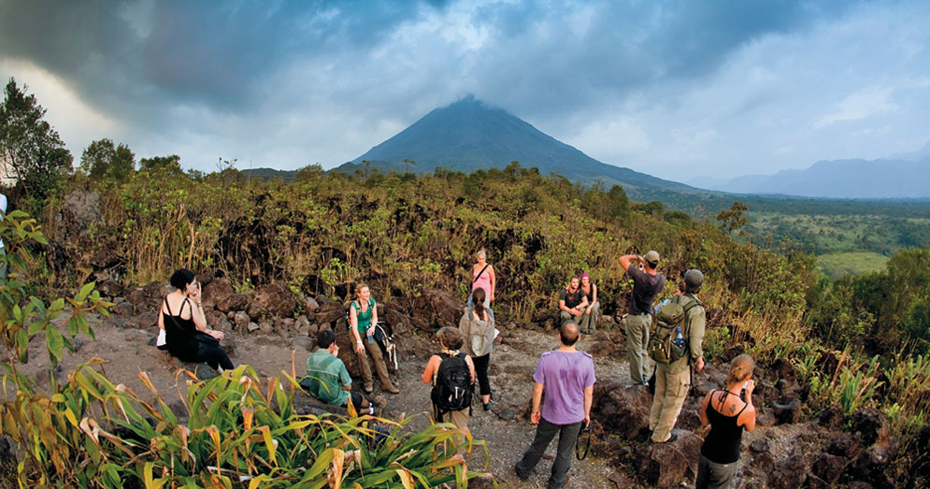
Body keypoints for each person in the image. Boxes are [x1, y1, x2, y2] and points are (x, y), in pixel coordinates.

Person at [515, 321, 595, 488]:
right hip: (574, 415)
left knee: (539, 444)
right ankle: (556, 482)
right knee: (565, 452)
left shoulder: (547, 359)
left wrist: (535, 410)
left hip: (551, 412)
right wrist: (586, 414)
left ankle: (524, 470)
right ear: (579, 338)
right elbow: (588, 393)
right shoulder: (587, 361)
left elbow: (538, 390)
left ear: (559, 337)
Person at [649, 269, 706, 443]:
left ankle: (652, 426)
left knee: (660, 393)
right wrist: (698, 358)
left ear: (685, 284)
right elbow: (695, 340)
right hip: (679, 362)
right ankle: (661, 436)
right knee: (673, 400)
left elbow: (656, 314)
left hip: (663, 355)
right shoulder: (696, 310)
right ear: (700, 288)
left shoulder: (673, 300)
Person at [696, 354, 756, 489]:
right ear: (748, 377)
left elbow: (704, 422)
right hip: (725, 460)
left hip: (706, 452)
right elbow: (750, 428)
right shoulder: (746, 410)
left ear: (730, 371)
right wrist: (748, 397)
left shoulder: (711, 395)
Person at [157, 268, 233, 372]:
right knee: (219, 352)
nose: (195, 287)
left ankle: (219, 371)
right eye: (193, 284)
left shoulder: (167, 298)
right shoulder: (188, 303)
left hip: (172, 347)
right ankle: (235, 379)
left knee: (209, 345)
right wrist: (198, 302)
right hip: (188, 351)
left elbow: (161, 324)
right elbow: (202, 326)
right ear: (186, 285)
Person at [302, 330, 385, 415]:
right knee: (356, 398)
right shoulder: (337, 363)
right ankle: (371, 409)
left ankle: (370, 406)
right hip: (333, 397)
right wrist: (334, 359)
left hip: (316, 393)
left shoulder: (310, 359)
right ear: (331, 345)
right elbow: (348, 386)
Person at [618, 250, 666, 385]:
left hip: (636, 316)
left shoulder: (640, 277)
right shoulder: (660, 279)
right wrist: (643, 267)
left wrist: (636, 257)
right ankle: (645, 376)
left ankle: (637, 380)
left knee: (634, 349)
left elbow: (622, 259)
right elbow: (649, 278)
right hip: (648, 316)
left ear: (646, 262)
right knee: (644, 348)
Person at [421, 326, 476, 431]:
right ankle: (457, 446)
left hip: (440, 398)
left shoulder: (436, 359)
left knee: (436, 429)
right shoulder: (466, 358)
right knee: (459, 431)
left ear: (443, 343)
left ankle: (435, 446)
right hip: (461, 398)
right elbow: (472, 379)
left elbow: (426, 380)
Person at [349, 284, 399, 394]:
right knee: (362, 354)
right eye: (364, 292)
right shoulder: (354, 306)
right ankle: (368, 382)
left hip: (368, 330)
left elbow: (375, 317)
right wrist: (358, 342)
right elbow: (354, 326)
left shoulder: (372, 302)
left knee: (378, 355)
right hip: (357, 331)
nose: (367, 294)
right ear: (359, 294)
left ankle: (386, 383)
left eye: (368, 292)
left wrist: (372, 327)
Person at [459, 287, 495, 411]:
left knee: (469, 376)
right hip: (484, 352)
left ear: (472, 300)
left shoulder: (467, 317)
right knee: (483, 375)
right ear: (485, 300)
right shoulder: (489, 314)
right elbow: (490, 335)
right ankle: (486, 403)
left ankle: (469, 402)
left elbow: (462, 336)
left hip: (469, 353)